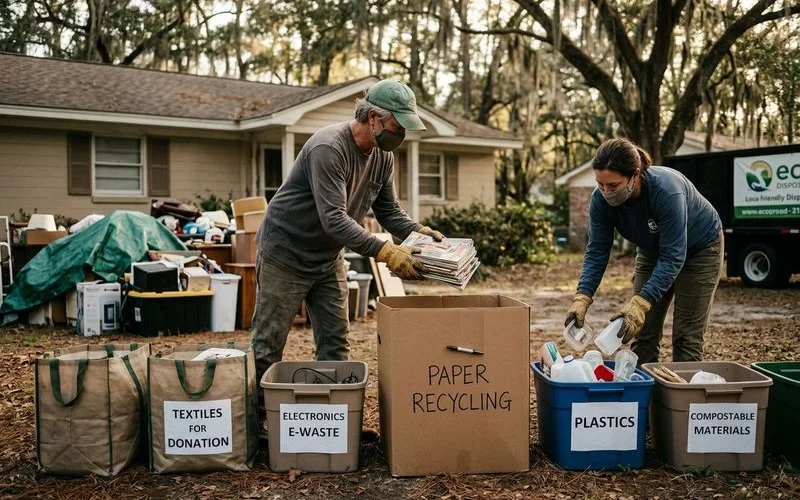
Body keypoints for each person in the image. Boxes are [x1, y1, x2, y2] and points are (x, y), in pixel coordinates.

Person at [251, 79, 445, 385]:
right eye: (397, 126)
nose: (401, 135)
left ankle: (334, 409)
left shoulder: (383, 156)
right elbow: (334, 219)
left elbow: (388, 211)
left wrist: (419, 232)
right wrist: (385, 251)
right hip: (285, 254)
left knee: (336, 341)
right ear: (373, 118)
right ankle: (262, 413)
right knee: (269, 343)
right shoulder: (329, 148)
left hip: (327, 259)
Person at [565, 137, 723, 364]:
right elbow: (597, 250)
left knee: (686, 337)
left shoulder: (666, 192)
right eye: (600, 184)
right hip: (652, 249)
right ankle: (643, 386)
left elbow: (673, 256)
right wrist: (583, 296)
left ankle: (684, 386)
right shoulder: (599, 201)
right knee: (640, 329)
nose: (606, 192)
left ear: (635, 175)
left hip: (700, 249)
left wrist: (641, 301)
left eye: (613, 186)